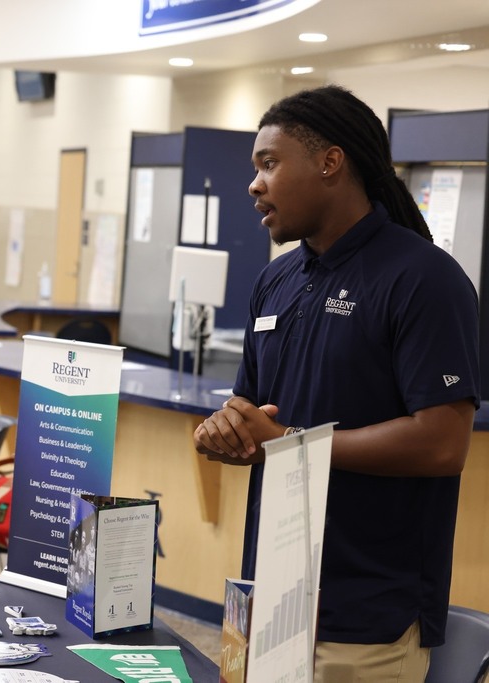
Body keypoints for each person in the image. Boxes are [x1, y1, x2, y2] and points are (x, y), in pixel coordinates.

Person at [193, 85, 479, 682]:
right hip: (265, 601)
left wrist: (285, 440)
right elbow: (254, 416)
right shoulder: (276, 281)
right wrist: (227, 431)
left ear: (330, 162)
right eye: (255, 168)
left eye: (269, 163)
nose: (254, 184)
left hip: (364, 620)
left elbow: (443, 444)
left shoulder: (423, 278)